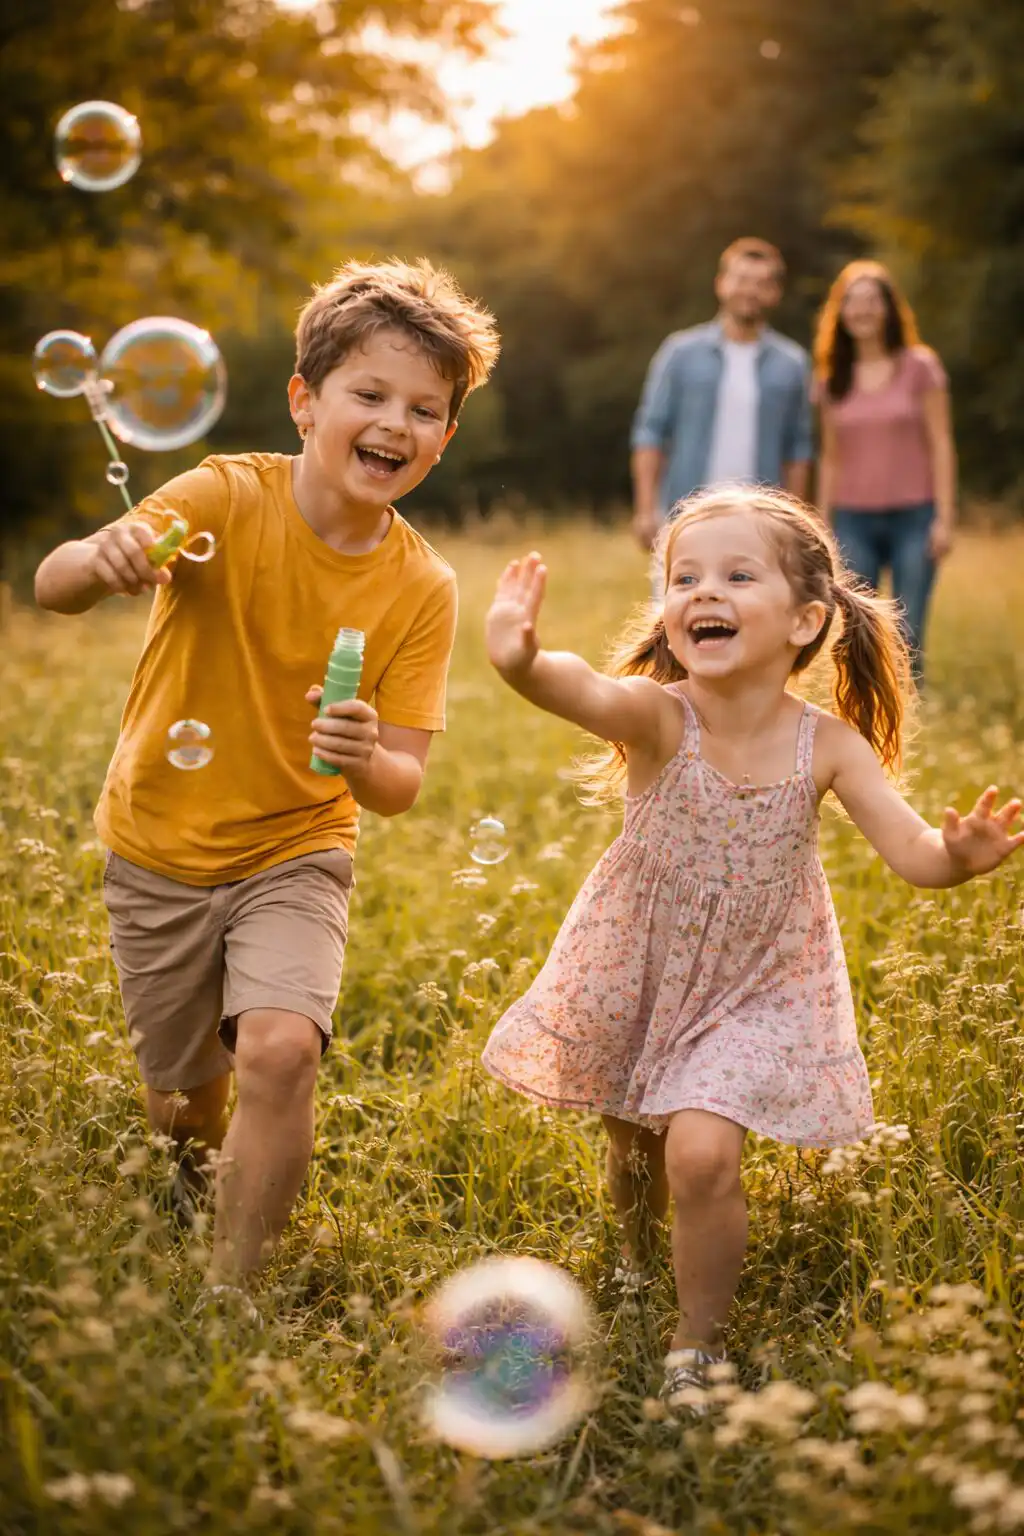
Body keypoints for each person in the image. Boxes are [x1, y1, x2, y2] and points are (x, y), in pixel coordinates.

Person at [481, 486, 1021, 1409]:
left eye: (737, 576)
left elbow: (914, 854)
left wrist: (959, 858)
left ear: (805, 621)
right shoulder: (659, 717)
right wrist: (520, 657)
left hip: (757, 984)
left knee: (699, 1153)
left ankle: (697, 1343)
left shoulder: (827, 746)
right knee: (633, 1145)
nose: (703, 593)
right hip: (639, 963)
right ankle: (636, 1260)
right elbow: (580, 688)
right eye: (684, 578)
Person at [34, 258, 500, 1288]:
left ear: (444, 438)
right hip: (159, 842)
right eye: (369, 394)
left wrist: (366, 758)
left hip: (298, 845)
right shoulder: (221, 496)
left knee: (282, 1052)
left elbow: (401, 783)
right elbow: (53, 583)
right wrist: (101, 560)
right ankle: (191, 1175)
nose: (394, 423)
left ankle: (233, 1297)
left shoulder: (422, 584)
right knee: (183, 1107)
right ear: (304, 401)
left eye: (423, 410)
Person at [813, 259, 956, 681]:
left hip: (916, 516)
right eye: (852, 301)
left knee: (909, 635)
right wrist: (822, 526)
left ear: (889, 309)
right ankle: (860, 711)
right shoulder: (831, 378)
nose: (862, 310)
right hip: (853, 519)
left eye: (872, 300)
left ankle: (908, 713)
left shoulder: (920, 366)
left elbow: (941, 443)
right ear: (840, 312)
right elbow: (830, 457)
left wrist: (945, 517)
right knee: (858, 632)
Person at [630, 238, 813, 563]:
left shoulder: (792, 364)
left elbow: (798, 449)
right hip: (685, 517)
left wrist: (795, 522)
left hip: (760, 525)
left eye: (762, 283)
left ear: (775, 293)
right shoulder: (680, 352)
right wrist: (646, 509)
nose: (750, 291)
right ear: (721, 284)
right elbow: (651, 433)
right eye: (742, 279)